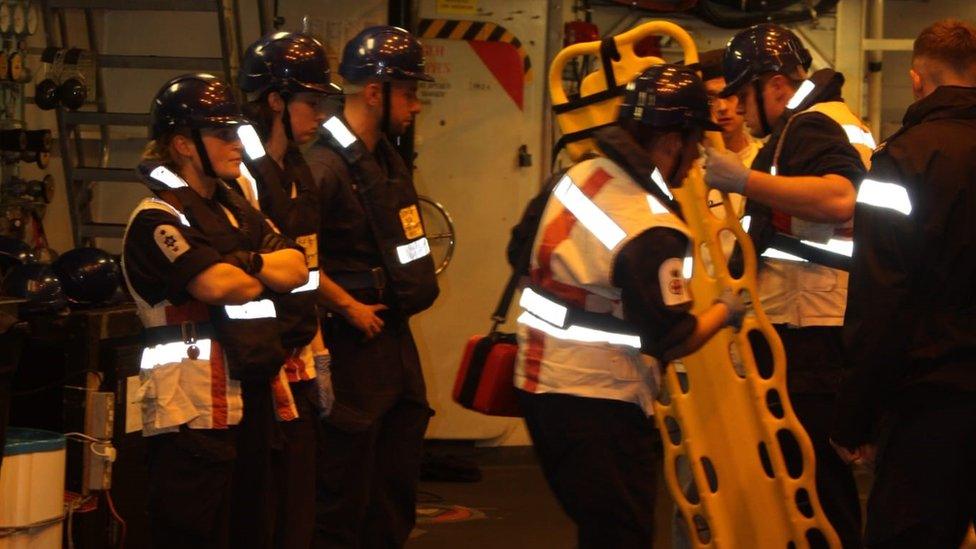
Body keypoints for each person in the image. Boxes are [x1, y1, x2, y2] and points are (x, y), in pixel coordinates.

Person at [510, 64, 745, 548]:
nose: (698, 155)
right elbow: (672, 338)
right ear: (670, 142)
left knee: (598, 528)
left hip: (536, 381)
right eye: (695, 142)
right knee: (623, 534)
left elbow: (518, 252)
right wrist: (727, 310)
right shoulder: (651, 226)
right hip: (600, 398)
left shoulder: (574, 176)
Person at [121, 73, 308, 548]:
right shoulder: (156, 219)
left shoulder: (236, 210)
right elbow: (215, 283)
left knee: (256, 530)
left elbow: (296, 267)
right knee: (195, 534)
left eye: (235, 132)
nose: (236, 144)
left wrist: (247, 261)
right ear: (183, 144)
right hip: (193, 412)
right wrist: (252, 271)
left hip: (252, 399)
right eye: (221, 134)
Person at [704, 24, 872, 547]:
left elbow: (841, 198)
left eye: (741, 91)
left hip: (809, 327)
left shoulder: (809, 126)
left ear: (775, 85)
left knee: (814, 485)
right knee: (812, 480)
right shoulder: (830, 120)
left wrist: (741, 181)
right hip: (820, 323)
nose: (735, 105)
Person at [832, 18, 976, 549]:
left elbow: (880, 300)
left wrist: (855, 417)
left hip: (931, 406)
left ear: (917, 80)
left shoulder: (901, 162)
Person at [304, 25, 439, 548]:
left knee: (394, 483)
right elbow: (294, 259)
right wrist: (346, 305)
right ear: (374, 92)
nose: (416, 105)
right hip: (352, 344)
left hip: (392, 341)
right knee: (345, 489)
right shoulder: (324, 168)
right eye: (408, 92)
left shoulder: (383, 159)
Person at [229, 31, 342, 548]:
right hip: (256, 363)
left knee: (298, 504)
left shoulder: (296, 169)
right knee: (263, 509)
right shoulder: (244, 178)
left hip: (297, 351)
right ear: (275, 100)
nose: (318, 114)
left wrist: (316, 344)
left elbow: (309, 264)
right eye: (310, 102)